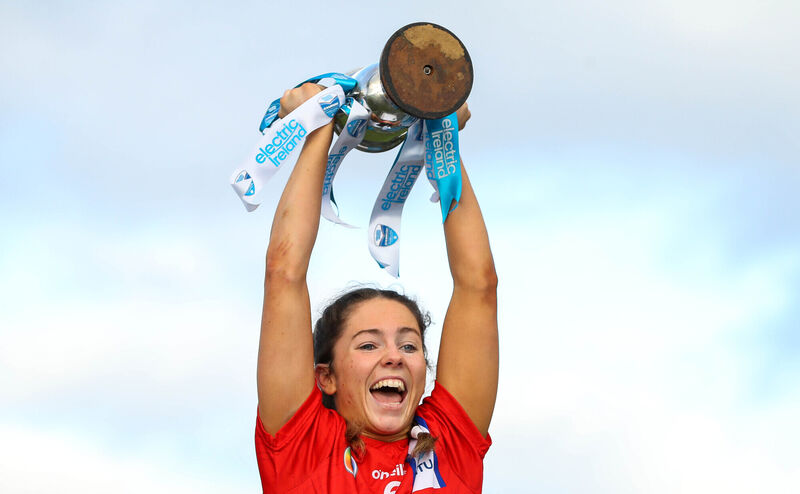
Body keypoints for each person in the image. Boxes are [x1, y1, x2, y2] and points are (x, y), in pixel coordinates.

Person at [255, 83, 498, 493]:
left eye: (409, 345)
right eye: (369, 345)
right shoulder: (304, 446)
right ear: (325, 378)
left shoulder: (448, 444)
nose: (394, 357)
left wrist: (444, 144)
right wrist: (319, 128)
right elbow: (284, 272)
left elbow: (479, 287)